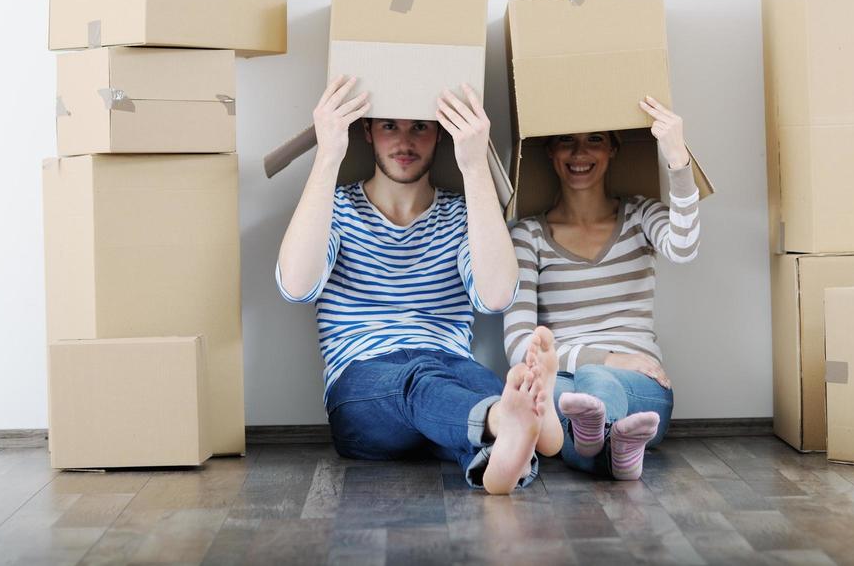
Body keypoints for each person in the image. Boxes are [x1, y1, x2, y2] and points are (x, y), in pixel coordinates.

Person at [276, 75, 560, 494]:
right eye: (390, 125)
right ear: (368, 132)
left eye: (420, 127)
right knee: (427, 381)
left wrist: (475, 164)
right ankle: (505, 423)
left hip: (451, 371)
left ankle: (500, 464)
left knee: (485, 388)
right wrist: (328, 156)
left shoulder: (464, 214)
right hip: (364, 384)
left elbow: (497, 297)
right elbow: (296, 286)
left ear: (440, 134)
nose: (404, 141)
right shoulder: (335, 207)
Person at [504, 96, 702, 480]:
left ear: (612, 148)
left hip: (641, 385)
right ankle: (618, 451)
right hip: (562, 381)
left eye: (594, 138)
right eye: (566, 140)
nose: (579, 153)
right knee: (571, 394)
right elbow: (518, 347)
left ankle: (596, 437)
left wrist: (677, 156)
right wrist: (608, 357)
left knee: (592, 389)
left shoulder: (641, 215)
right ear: (549, 150)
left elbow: (684, 247)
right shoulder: (528, 236)